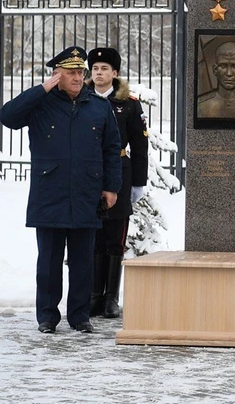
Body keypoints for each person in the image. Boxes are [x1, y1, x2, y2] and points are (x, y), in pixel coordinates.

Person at [0, 46, 122, 334]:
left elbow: (111, 148)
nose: (79, 77)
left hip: (86, 193)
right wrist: (41, 90)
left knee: (82, 262)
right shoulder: (41, 103)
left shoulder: (98, 106)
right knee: (49, 263)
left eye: (81, 72)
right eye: (72, 73)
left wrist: (111, 188)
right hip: (50, 192)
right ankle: (47, 317)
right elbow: (7, 117)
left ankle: (79, 317)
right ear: (57, 76)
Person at [86, 47, 149, 319]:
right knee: (92, 238)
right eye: (95, 68)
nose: (99, 73)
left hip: (119, 172)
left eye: (104, 69)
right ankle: (93, 296)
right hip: (88, 174)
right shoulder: (82, 98)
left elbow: (140, 146)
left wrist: (138, 183)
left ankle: (111, 298)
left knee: (115, 238)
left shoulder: (129, 104)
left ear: (115, 73)